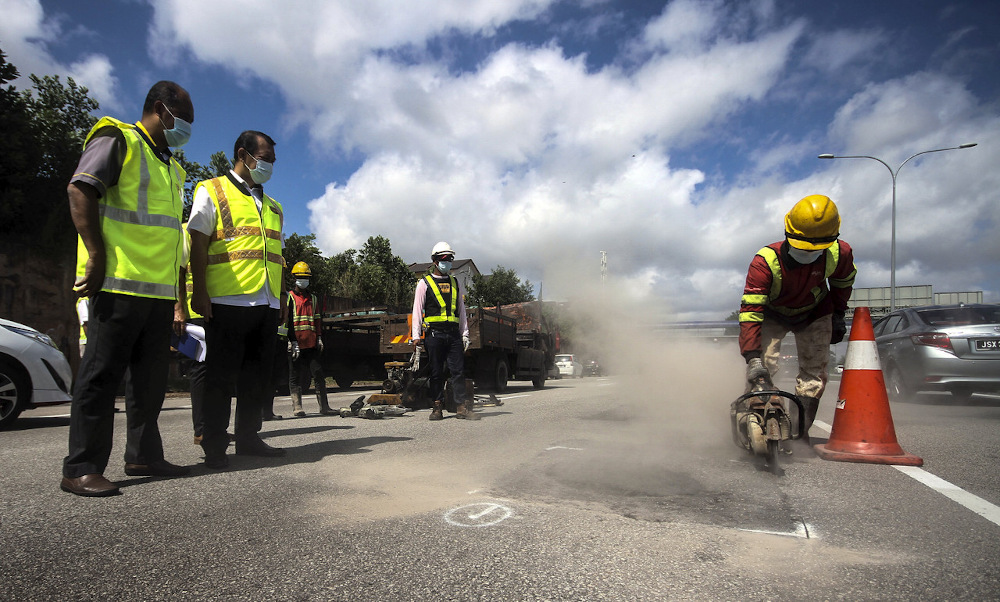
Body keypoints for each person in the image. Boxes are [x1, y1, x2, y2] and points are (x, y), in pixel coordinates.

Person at [61, 80, 194, 497]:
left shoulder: (173, 168)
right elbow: (80, 188)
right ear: (161, 108)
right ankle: (80, 468)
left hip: (156, 295)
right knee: (101, 378)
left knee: (150, 383)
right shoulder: (117, 138)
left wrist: (176, 298)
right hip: (116, 285)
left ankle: (143, 455)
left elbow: (172, 238)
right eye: (184, 119)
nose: (187, 128)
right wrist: (96, 255)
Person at [189, 130, 286, 469]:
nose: (269, 166)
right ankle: (214, 444)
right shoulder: (212, 189)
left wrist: (281, 298)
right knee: (219, 376)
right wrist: (199, 291)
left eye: (272, 161)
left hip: (266, 301)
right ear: (244, 154)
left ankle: (248, 436)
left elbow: (276, 256)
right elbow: (197, 243)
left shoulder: (273, 206)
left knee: (256, 376)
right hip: (227, 299)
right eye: (266, 159)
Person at [738, 194, 857, 442]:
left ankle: (799, 431)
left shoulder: (840, 253)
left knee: (814, 373)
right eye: (802, 246)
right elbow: (751, 312)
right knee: (765, 365)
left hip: (815, 311)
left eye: (816, 248)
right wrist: (752, 356)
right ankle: (759, 416)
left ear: (832, 239)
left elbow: (842, 284)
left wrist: (837, 313)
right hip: (772, 314)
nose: (808, 253)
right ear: (787, 233)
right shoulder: (765, 261)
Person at [411, 242, 479, 421]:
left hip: (453, 335)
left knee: (458, 372)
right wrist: (416, 336)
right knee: (436, 373)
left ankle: (461, 407)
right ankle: (437, 407)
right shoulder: (423, 283)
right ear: (435, 261)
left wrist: (465, 333)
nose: (447, 262)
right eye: (443, 259)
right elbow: (417, 310)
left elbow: (462, 310)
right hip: (434, 335)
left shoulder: (455, 282)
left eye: (449, 259)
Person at [286, 262, 335, 417]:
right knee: (295, 376)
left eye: (306, 277)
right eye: (301, 277)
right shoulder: (290, 298)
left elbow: (317, 320)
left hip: (311, 344)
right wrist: (290, 341)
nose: (303, 280)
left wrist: (319, 337)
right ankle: (297, 407)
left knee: (319, 374)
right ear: (294, 278)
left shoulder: (313, 299)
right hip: (296, 344)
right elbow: (286, 321)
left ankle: (324, 407)